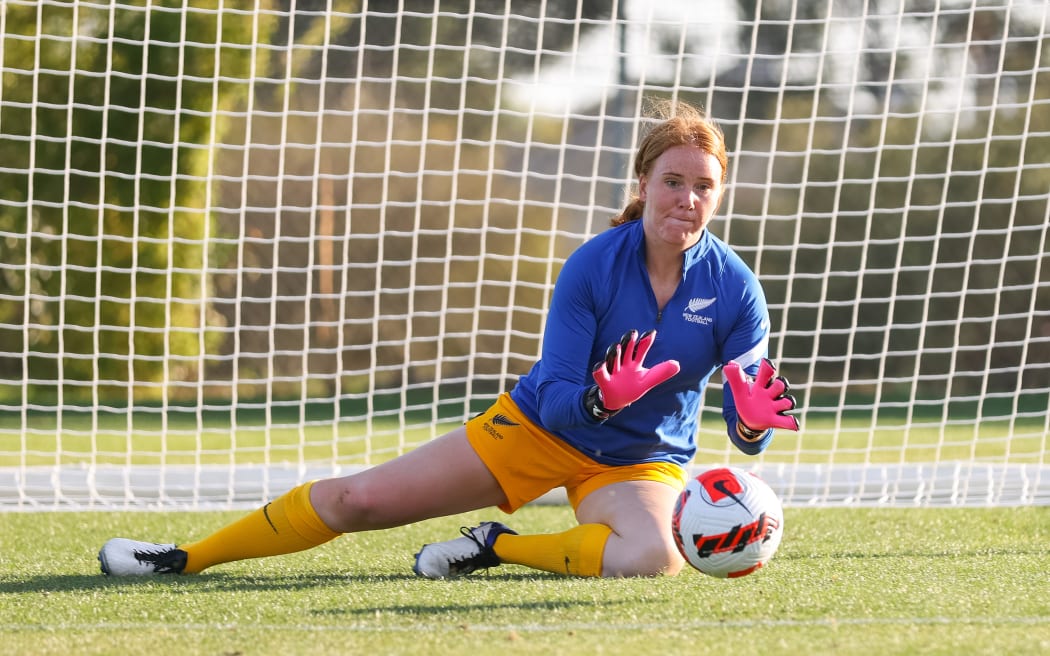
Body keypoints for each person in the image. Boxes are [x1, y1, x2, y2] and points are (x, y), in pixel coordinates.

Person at [98, 99, 799, 579]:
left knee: (654, 556)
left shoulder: (736, 289)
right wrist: (595, 403)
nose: (688, 199)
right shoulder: (592, 264)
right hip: (536, 430)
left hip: (638, 462)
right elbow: (555, 392)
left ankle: (500, 548)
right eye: (673, 181)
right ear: (643, 183)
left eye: (703, 186)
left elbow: (747, 434)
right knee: (359, 502)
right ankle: (183, 556)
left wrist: (755, 428)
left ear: (719, 193)